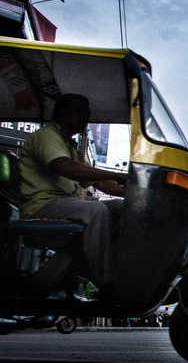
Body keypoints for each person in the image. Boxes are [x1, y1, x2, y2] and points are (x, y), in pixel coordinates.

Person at [18, 93, 126, 299]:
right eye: (81, 112)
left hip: (66, 205)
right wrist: (118, 174)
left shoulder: (71, 146)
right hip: (41, 206)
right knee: (96, 210)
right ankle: (107, 282)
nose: (86, 117)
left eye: (87, 113)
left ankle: (102, 264)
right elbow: (65, 168)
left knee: (121, 207)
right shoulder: (47, 136)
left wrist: (133, 191)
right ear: (63, 112)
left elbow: (101, 183)